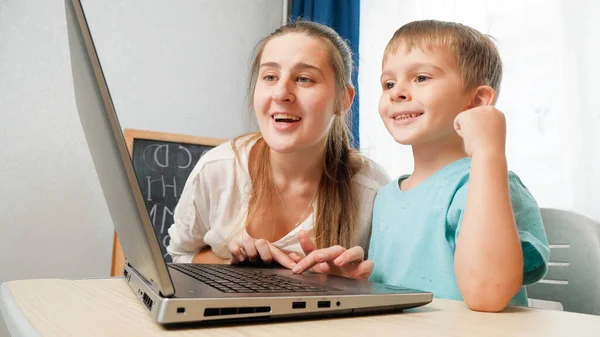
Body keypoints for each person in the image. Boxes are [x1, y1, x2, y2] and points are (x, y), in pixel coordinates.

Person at [290, 20, 550, 312]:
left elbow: (487, 294)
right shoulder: (387, 196)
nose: (396, 92)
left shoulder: (492, 183)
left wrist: (488, 150)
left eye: (421, 78)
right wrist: (348, 284)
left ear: (477, 101)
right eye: (388, 83)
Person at [166, 20, 390, 268]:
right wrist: (237, 269)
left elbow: (387, 284)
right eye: (270, 76)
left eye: (304, 79)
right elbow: (180, 256)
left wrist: (347, 284)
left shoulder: (374, 192)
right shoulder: (217, 170)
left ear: (343, 100)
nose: (281, 93)